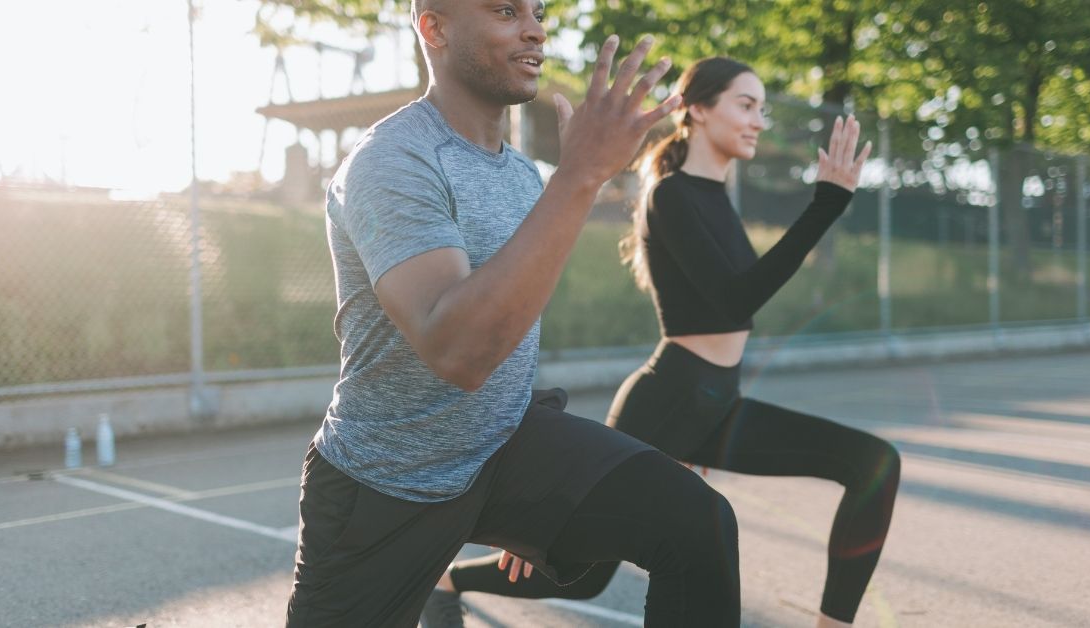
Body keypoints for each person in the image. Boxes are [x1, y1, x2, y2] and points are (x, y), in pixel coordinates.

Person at [285, 2, 745, 626]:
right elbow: (459, 353)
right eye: (506, 10)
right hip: (387, 482)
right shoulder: (392, 162)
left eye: (538, 11)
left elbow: (511, 330)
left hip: (501, 450)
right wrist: (581, 175)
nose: (535, 29)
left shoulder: (524, 176)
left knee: (699, 525)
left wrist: (532, 500)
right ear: (434, 27)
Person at [430, 57, 900, 628]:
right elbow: (734, 301)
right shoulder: (670, 195)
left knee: (873, 463)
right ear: (698, 109)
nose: (757, 120)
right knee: (583, 567)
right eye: (745, 105)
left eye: (762, 109)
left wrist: (827, 204)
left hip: (717, 403)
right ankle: (445, 580)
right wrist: (825, 204)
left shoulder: (715, 196)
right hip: (668, 400)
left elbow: (737, 299)